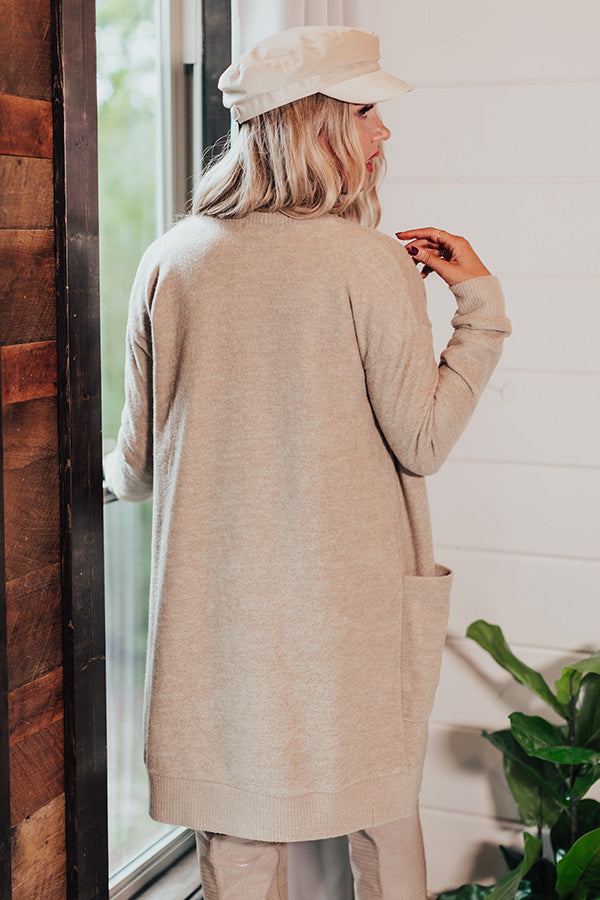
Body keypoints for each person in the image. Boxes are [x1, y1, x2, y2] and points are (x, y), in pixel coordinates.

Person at [104, 24, 511, 900]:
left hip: (219, 621)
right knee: (383, 821)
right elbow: (423, 442)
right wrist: (479, 309)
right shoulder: (369, 263)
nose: (383, 131)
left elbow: (134, 466)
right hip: (350, 614)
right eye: (365, 111)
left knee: (238, 845)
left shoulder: (169, 259)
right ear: (312, 122)